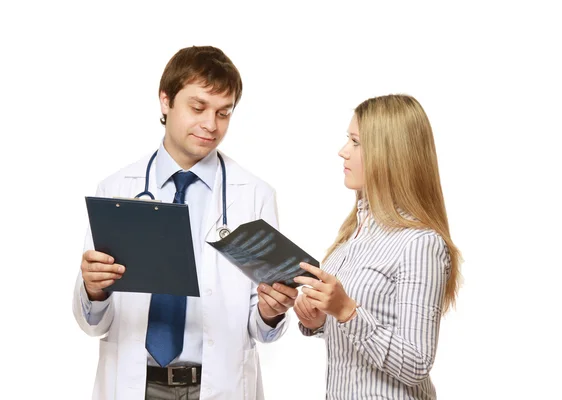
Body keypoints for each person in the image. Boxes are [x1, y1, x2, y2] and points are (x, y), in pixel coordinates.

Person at [72, 45, 297, 400]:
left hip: (217, 385)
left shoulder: (254, 195)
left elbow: (263, 331)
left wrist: (270, 313)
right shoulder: (117, 189)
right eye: (198, 107)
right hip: (136, 384)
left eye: (224, 113)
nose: (211, 125)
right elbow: (93, 322)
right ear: (165, 101)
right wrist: (94, 289)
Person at [293, 94, 461, 399]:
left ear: (389, 154)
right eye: (348, 140)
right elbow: (358, 333)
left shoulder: (421, 244)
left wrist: (345, 310)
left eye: (355, 142)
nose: (342, 151)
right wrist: (318, 319)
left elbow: (417, 363)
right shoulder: (351, 236)